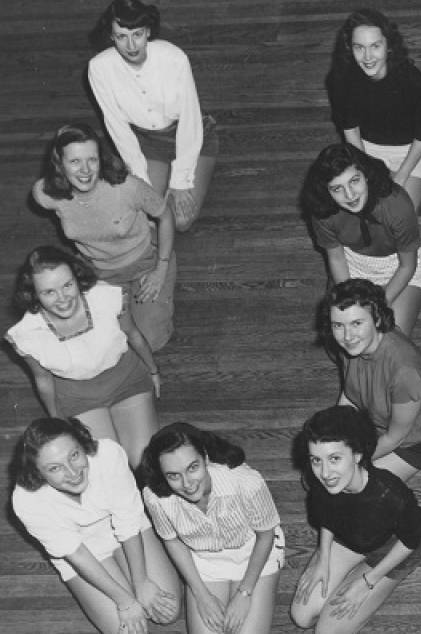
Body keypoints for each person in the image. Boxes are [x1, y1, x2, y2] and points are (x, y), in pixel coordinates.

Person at [11, 417, 181, 634]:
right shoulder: (26, 500)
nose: (73, 472)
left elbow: (128, 523)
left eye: (74, 455)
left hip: (121, 528)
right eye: (55, 468)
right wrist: (125, 602)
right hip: (84, 549)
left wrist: (141, 582)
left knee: (169, 612)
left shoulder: (109, 454)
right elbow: (78, 555)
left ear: (82, 445)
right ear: (38, 473)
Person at [6, 246, 161, 468]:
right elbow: (42, 379)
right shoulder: (26, 335)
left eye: (67, 285)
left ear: (77, 279)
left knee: (144, 462)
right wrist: (56, 419)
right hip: (78, 397)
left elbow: (133, 334)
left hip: (127, 379)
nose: (62, 298)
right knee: (109, 465)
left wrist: (153, 371)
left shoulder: (107, 297)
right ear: (34, 294)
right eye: (49, 292)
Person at [32, 123, 176, 351]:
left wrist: (161, 269)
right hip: (98, 271)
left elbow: (166, 216)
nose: (85, 170)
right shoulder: (46, 194)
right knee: (104, 340)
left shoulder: (128, 188)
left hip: (146, 260)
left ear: (101, 159)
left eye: (92, 159)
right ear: (60, 164)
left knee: (151, 340)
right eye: (75, 161)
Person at [290, 406, 421, 633]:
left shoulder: (390, 494)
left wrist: (367, 582)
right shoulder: (321, 482)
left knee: (326, 632)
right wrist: (323, 559)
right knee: (301, 617)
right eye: (316, 460)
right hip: (351, 539)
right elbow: (326, 518)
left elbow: (412, 541)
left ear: (357, 455)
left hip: (392, 549)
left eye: (334, 458)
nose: (325, 472)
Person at [138, 423, 284, 634]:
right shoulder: (155, 497)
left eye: (193, 468)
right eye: (173, 475)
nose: (187, 484)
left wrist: (244, 593)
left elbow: (266, 536)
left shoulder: (245, 481)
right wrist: (201, 595)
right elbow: (172, 541)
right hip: (204, 561)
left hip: (253, 552)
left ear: (205, 457)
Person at [88, 0, 218, 231]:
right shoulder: (99, 68)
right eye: (121, 37)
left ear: (148, 31)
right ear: (111, 36)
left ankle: (193, 173)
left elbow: (190, 119)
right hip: (147, 143)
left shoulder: (174, 58)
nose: (131, 45)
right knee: (149, 219)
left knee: (181, 222)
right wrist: (139, 176)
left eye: (137, 34)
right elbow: (117, 127)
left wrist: (181, 181)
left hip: (189, 136)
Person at [319, 279, 421, 482]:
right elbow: (350, 397)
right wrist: (333, 438)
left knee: (345, 487)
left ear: (376, 319)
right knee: (322, 474)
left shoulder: (406, 372)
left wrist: (348, 463)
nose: (347, 336)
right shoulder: (349, 346)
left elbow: (395, 437)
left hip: (408, 444)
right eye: (338, 325)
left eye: (357, 323)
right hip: (372, 426)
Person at [302, 143, 421, 335]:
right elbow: (337, 258)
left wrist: (376, 308)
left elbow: (407, 266)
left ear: (366, 175)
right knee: (345, 337)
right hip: (352, 262)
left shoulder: (397, 204)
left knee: (390, 337)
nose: (350, 195)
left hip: (397, 266)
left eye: (354, 180)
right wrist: (352, 304)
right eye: (337, 189)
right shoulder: (322, 212)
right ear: (326, 191)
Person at [328, 8, 421, 212]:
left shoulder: (413, 82)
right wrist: (366, 170)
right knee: (368, 213)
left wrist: (402, 175)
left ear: (388, 46)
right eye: (359, 47)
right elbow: (351, 131)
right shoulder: (341, 80)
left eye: (375, 46)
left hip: (412, 147)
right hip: (367, 147)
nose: (368, 57)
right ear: (349, 48)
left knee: (399, 215)